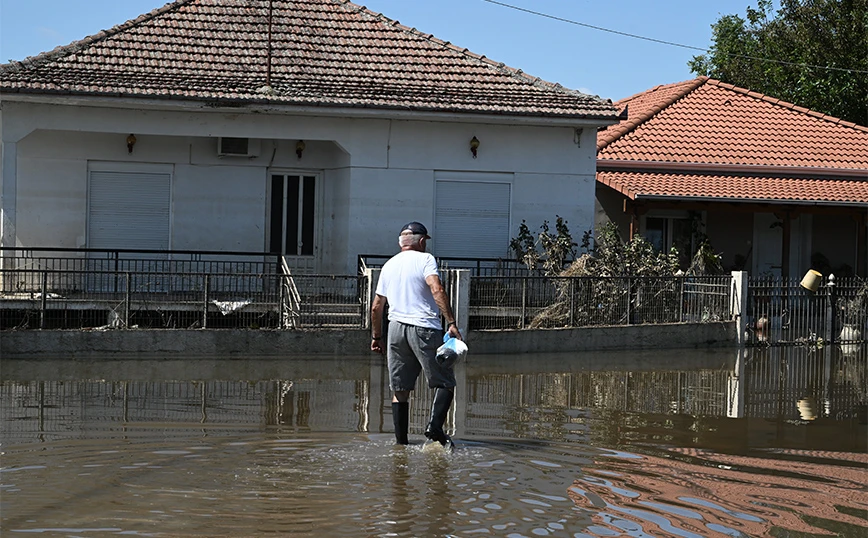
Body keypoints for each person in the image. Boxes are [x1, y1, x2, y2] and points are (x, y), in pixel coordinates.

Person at [370, 221, 462, 448]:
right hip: (424, 328)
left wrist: (376, 337)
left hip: (395, 330)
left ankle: (401, 445)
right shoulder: (426, 259)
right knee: (445, 382)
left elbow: (376, 307)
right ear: (422, 241)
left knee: (400, 390)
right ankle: (434, 427)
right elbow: (437, 289)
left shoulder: (389, 265)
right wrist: (451, 322)